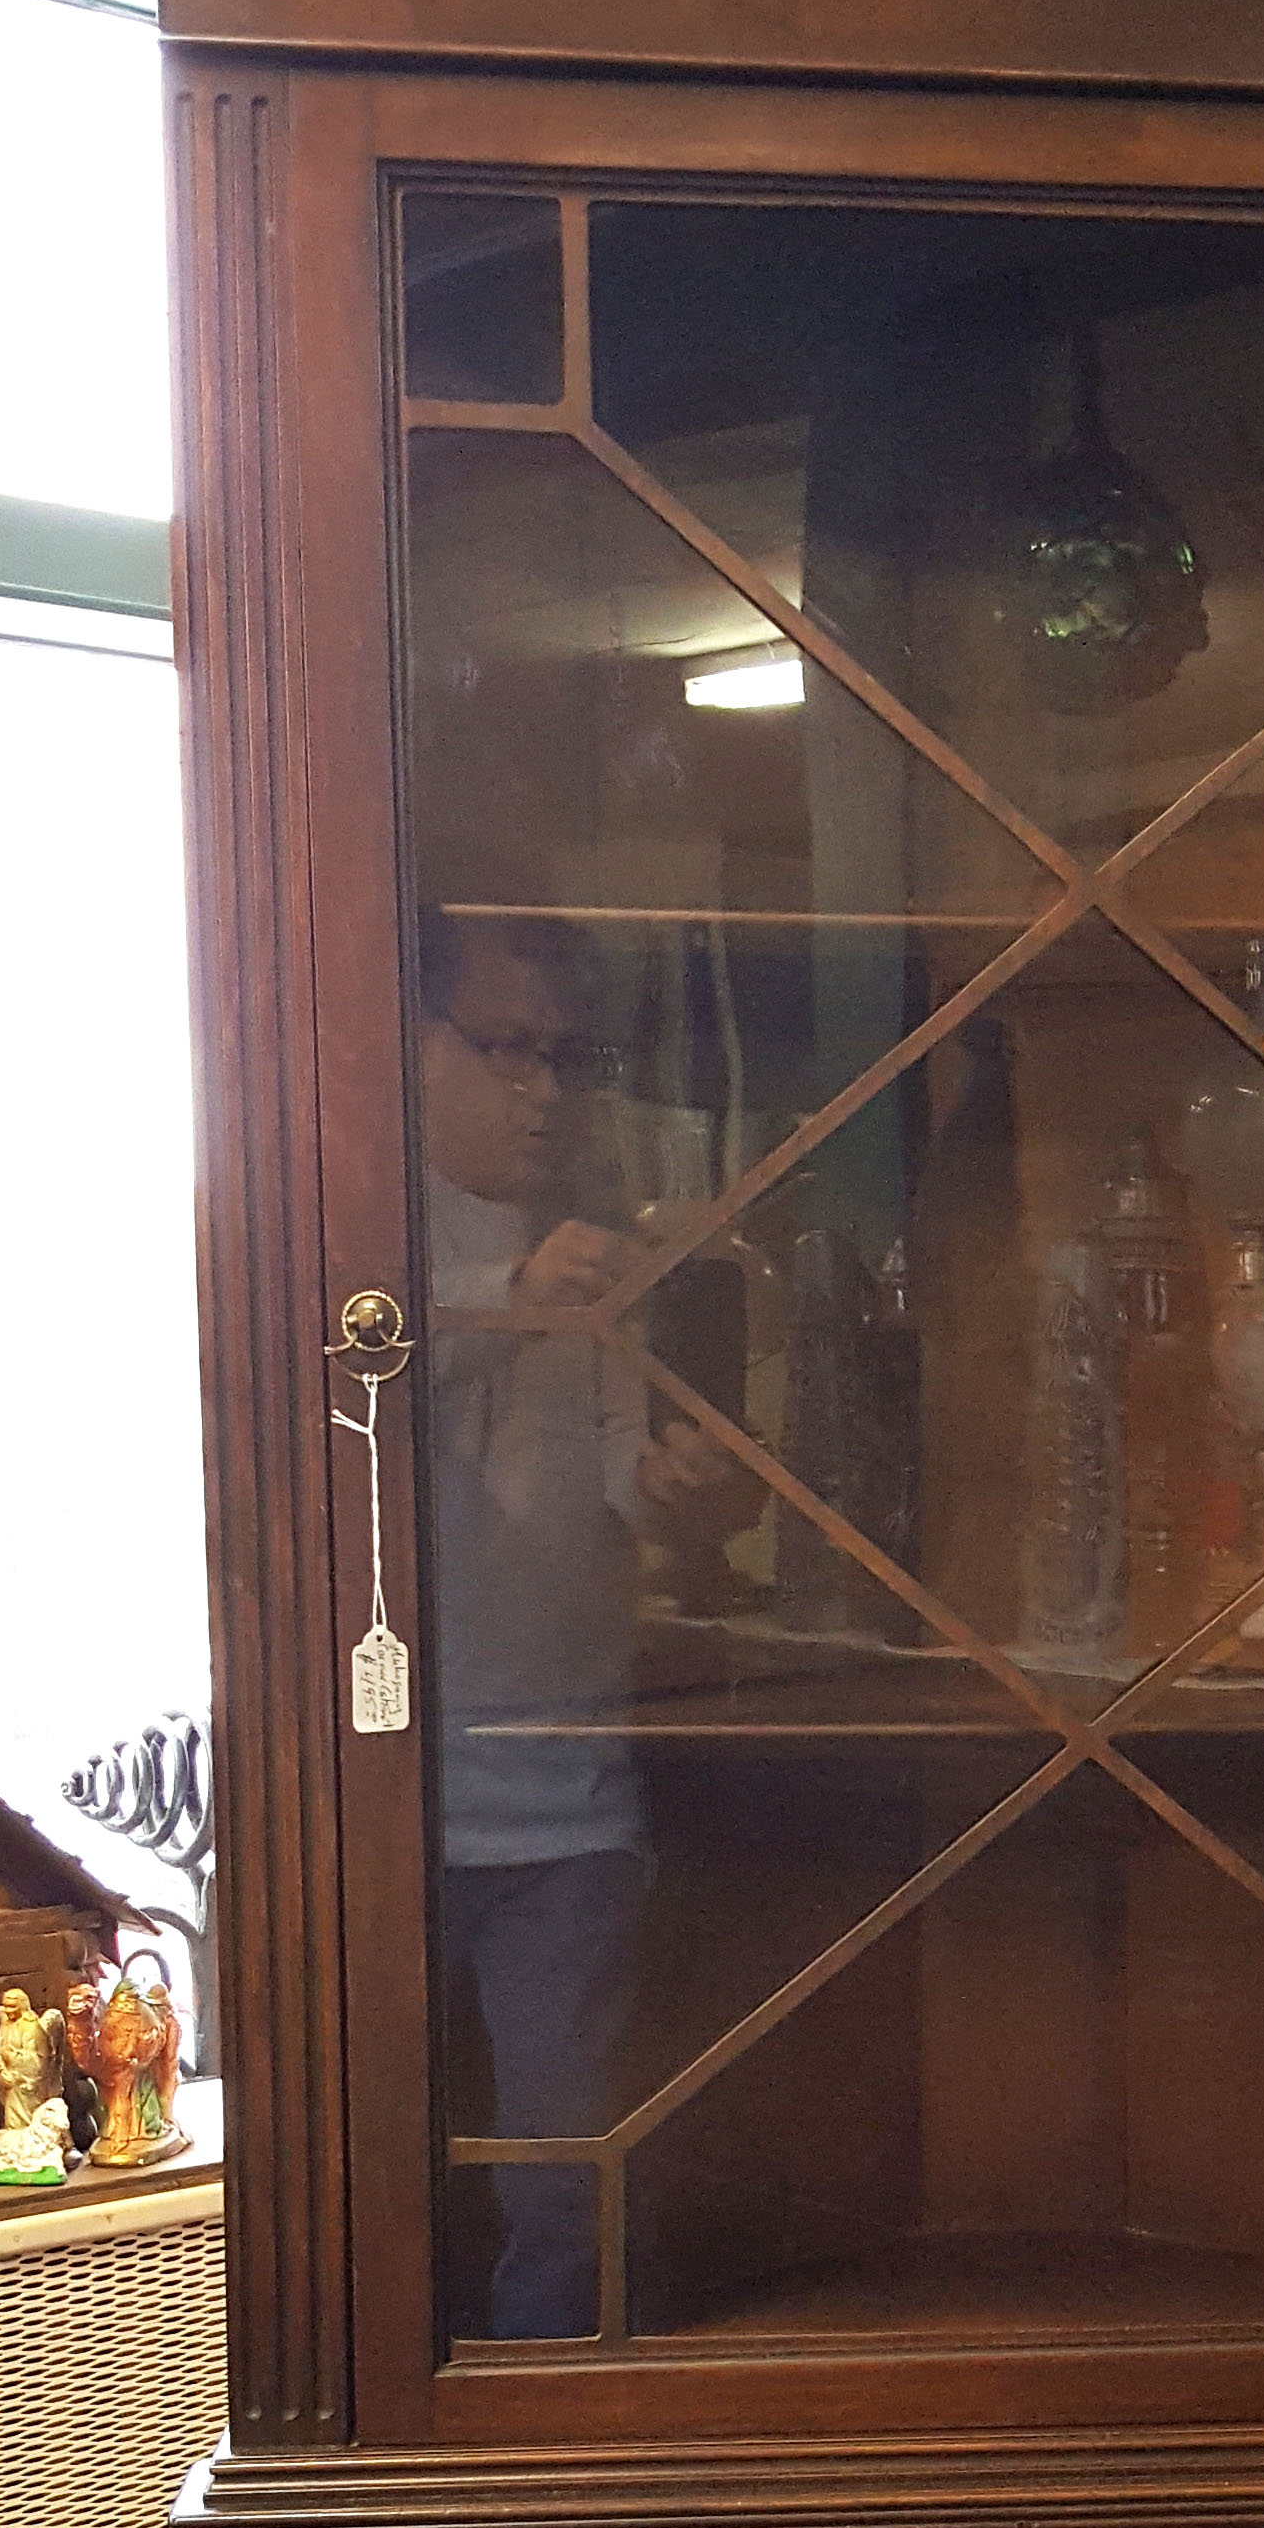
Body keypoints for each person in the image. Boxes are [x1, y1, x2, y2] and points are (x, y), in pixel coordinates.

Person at [419, 912, 706, 2338]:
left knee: (563, 2186)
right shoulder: (346, 1249)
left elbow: (623, 1490)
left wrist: (680, 1492)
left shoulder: (587, 1257)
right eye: (502, 1047)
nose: (540, 1088)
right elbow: (332, 1423)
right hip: (379, 1811)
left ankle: (541, 2481)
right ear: (402, 1047)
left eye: (560, 1055)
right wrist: (498, 1307)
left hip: (566, 1807)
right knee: (376, 2187)